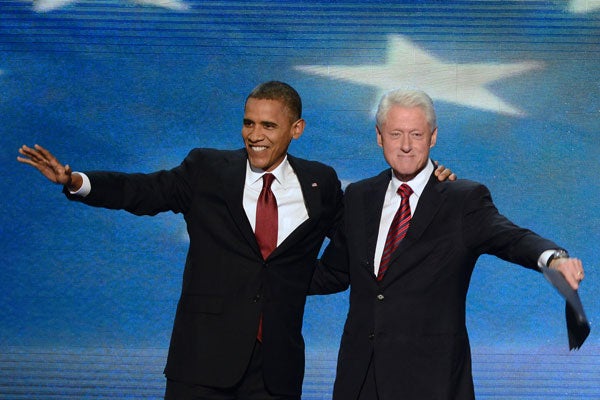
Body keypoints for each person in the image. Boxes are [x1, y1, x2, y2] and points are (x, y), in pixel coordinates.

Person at [16, 80, 455, 399]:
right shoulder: (207, 170)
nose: (254, 135)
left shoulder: (320, 183)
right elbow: (143, 191)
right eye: (248, 123)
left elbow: (354, 245)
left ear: (296, 129)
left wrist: (428, 188)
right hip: (201, 363)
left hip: (276, 371)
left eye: (268, 125)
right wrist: (76, 181)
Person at [309, 89, 585, 400]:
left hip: (431, 381)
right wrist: (269, 274)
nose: (405, 145)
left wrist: (554, 259)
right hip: (359, 380)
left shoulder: (461, 199)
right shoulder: (359, 196)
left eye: (416, 134)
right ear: (379, 137)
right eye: (396, 133)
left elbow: (511, 237)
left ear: (433, 137)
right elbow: (334, 272)